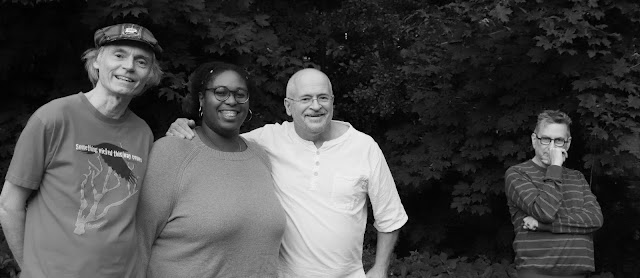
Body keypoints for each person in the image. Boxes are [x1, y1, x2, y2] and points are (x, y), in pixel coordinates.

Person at [169, 68, 408, 277]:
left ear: (333, 102)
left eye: (323, 97)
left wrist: (379, 268)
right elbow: (217, 141)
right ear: (288, 106)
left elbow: (390, 217)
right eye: (305, 99)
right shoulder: (267, 140)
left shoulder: (364, 147)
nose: (316, 106)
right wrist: (184, 126)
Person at [0, 23, 163, 277]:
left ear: (148, 76)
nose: (129, 66)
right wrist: (30, 270)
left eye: (141, 62)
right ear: (97, 61)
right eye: (119, 55)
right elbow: (10, 204)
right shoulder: (54, 117)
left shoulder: (143, 133)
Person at [136, 61, 285, 278]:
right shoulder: (172, 152)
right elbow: (139, 240)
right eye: (220, 92)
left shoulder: (260, 156)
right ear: (201, 99)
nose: (231, 100)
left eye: (240, 94)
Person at [504, 110, 604, 278]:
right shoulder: (518, 174)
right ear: (534, 140)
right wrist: (555, 167)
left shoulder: (577, 177)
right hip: (537, 273)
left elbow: (594, 219)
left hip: (579, 274)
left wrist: (545, 227)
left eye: (558, 140)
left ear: (567, 144)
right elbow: (545, 211)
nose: (551, 147)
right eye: (545, 139)